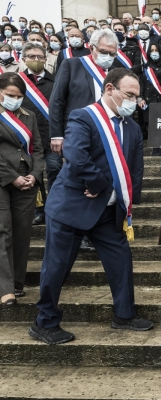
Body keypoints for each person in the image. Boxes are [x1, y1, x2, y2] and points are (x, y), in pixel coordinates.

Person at [30, 68, 152, 345]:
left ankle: (124, 315)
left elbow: (135, 169)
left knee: (121, 262)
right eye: (128, 94)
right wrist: (98, 184)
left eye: (137, 96)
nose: (133, 100)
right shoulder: (83, 117)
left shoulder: (132, 128)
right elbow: (75, 154)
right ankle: (45, 322)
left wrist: (129, 201)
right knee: (56, 267)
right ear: (110, 89)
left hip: (108, 212)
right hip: (72, 207)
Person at [49, 29, 118, 252]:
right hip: (76, 135)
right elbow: (57, 100)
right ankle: (73, 227)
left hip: (105, 135)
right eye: (105, 51)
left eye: (113, 53)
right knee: (79, 179)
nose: (108, 56)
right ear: (92, 47)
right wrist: (57, 135)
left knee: (99, 179)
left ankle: (93, 229)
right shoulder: (72, 65)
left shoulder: (115, 73)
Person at [0, 72, 44, 307]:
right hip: (2, 179)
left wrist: (35, 176)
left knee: (22, 232)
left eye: (19, 96)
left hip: (27, 180)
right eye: (9, 95)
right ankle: (4, 289)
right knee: (3, 230)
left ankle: (17, 283)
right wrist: (12, 176)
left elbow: (37, 149)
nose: (14, 100)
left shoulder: (30, 117)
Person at [17, 43, 58, 227]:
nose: (36, 60)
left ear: (45, 59)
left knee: (54, 169)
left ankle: (55, 208)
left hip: (51, 137)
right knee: (35, 175)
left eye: (40, 57)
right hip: (27, 138)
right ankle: (39, 210)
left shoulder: (55, 80)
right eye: (31, 57)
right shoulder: (16, 81)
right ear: (24, 59)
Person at [139, 44, 161, 156]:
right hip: (148, 98)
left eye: (156, 50)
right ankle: (155, 148)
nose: (154, 52)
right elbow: (142, 83)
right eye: (152, 50)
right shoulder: (145, 66)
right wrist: (141, 98)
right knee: (152, 124)